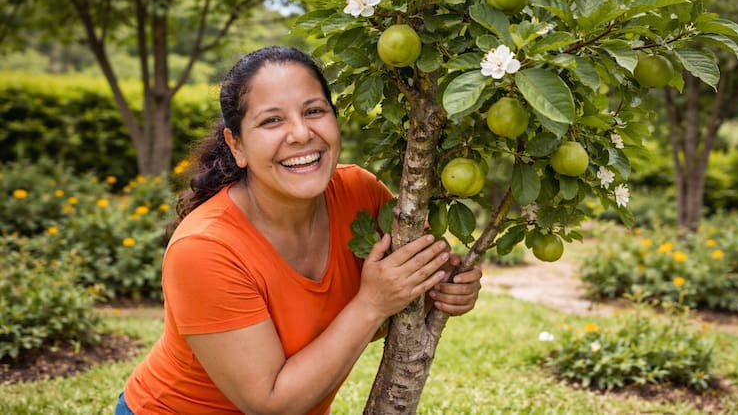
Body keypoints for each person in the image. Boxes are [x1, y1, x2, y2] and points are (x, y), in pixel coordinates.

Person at [115, 46, 482, 414]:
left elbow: (393, 299)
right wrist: (372, 303)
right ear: (237, 145)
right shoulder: (204, 248)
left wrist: (441, 289)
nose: (301, 133)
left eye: (314, 111)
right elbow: (271, 404)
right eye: (272, 121)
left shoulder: (360, 193)